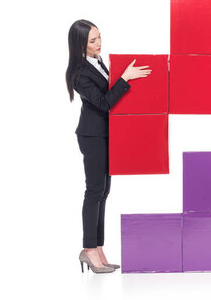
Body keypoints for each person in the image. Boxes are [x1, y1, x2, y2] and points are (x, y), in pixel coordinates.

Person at [65, 19, 151, 273]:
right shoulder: (79, 72)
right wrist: (125, 78)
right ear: (80, 44)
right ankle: (89, 249)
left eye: (100, 37)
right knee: (94, 191)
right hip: (92, 137)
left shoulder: (97, 61)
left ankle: (98, 247)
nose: (99, 43)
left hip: (106, 135)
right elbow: (104, 102)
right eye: (93, 41)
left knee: (103, 191)